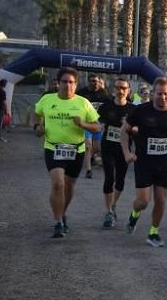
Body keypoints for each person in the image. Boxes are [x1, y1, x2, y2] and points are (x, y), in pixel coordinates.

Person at [33, 68, 102, 238]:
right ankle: (57, 222)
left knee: (69, 186)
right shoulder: (47, 100)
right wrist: (37, 127)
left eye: (71, 82)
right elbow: (37, 114)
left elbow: (97, 126)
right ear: (58, 83)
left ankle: (62, 213)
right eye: (64, 82)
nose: (68, 85)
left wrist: (83, 125)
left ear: (76, 84)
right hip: (53, 148)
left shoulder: (83, 103)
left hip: (75, 150)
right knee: (58, 183)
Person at [121, 77, 167, 247]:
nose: (162, 97)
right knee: (143, 201)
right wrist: (127, 152)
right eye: (159, 94)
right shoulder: (141, 111)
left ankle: (153, 232)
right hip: (143, 162)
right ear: (153, 94)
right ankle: (134, 213)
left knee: (161, 200)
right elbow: (124, 130)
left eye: (166, 94)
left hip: (163, 163)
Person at [98, 77, 134, 228]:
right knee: (109, 178)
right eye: (118, 88)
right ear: (114, 89)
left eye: (124, 88)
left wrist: (131, 129)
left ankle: (113, 205)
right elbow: (98, 124)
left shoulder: (133, 110)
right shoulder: (106, 106)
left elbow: (139, 129)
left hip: (124, 150)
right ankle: (108, 212)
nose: (120, 91)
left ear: (128, 91)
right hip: (108, 147)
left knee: (120, 180)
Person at [77, 75, 110, 179]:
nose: (95, 83)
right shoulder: (82, 93)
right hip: (86, 123)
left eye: (96, 81)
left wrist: (105, 122)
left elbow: (109, 107)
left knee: (97, 147)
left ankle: (88, 158)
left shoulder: (104, 93)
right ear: (88, 82)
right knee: (88, 146)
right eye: (92, 81)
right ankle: (88, 170)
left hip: (98, 124)